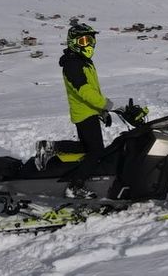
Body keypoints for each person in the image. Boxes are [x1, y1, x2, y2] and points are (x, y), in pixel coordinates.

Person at [54, 23, 147, 198]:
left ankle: (53, 148)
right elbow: (85, 92)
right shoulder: (73, 64)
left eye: (90, 40)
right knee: (96, 151)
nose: (88, 44)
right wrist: (109, 106)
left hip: (89, 112)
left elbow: (93, 91)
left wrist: (102, 112)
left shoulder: (83, 62)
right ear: (73, 42)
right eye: (83, 40)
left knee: (86, 147)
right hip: (84, 113)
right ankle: (75, 185)